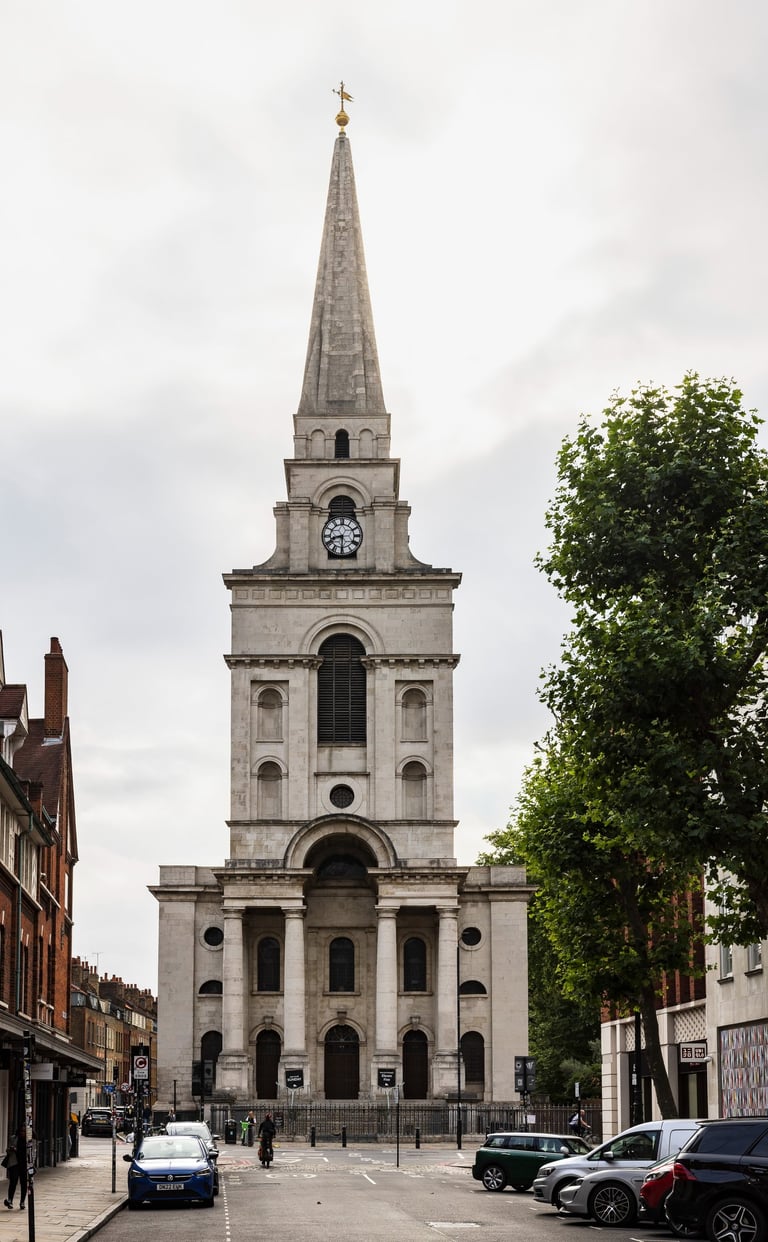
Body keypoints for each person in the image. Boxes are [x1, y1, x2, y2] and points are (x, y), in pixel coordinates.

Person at [4, 1126, 27, 1211]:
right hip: (14, 1163)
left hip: (24, 1165)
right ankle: (10, 1200)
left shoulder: (30, 1140)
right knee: (13, 1181)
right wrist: (11, 1149)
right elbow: (7, 1150)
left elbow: (33, 1153)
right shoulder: (13, 1138)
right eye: (21, 1131)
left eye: (24, 1131)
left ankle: (22, 1202)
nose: (22, 1133)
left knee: (24, 1183)